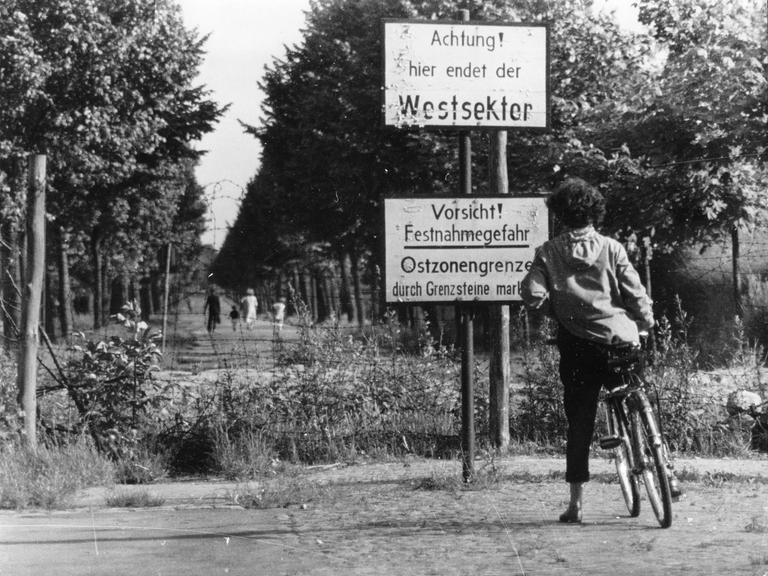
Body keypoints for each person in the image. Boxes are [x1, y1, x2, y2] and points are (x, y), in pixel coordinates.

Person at [521, 177, 679, 524]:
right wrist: (646, 324)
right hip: (620, 341)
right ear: (595, 212)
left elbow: (532, 296)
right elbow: (636, 294)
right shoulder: (612, 248)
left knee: (579, 421)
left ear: (560, 214)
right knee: (641, 397)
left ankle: (576, 504)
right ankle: (666, 471)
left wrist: (561, 312)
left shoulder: (548, 253)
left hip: (578, 349)